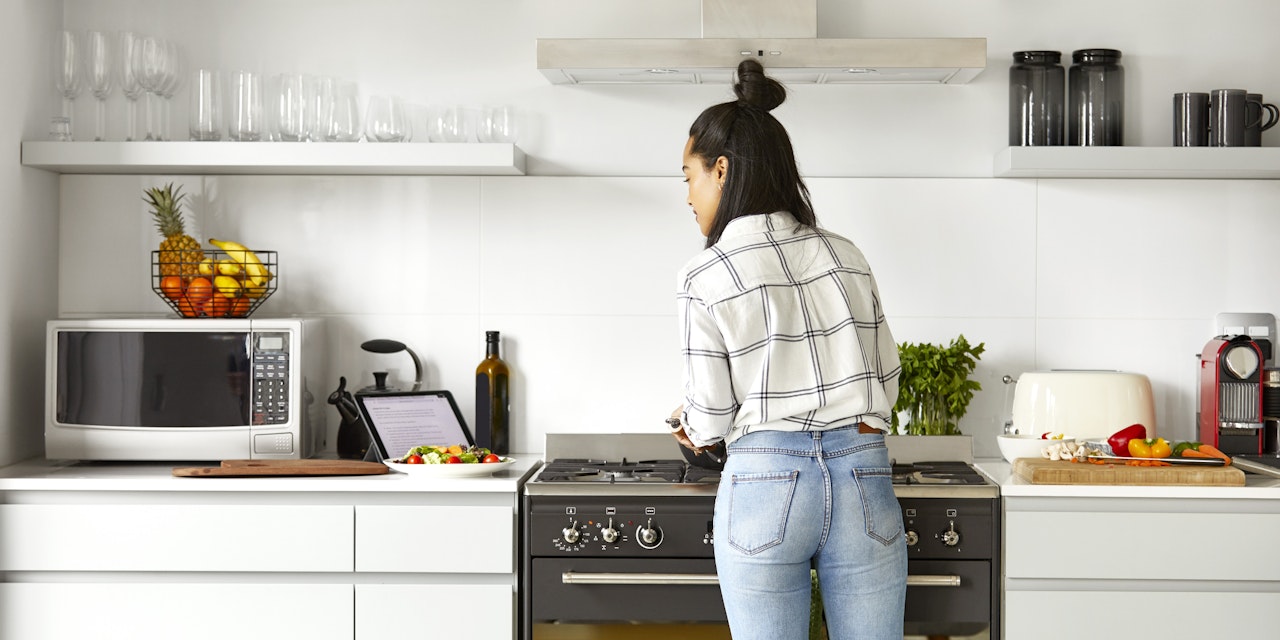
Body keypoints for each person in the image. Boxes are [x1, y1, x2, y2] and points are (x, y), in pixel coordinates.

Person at [667, 58, 907, 640]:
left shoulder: (706, 274)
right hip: (863, 478)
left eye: (689, 177)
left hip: (764, 483)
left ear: (720, 170)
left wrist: (691, 426)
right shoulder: (846, 253)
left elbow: (713, 419)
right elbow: (888, 383)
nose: (689, 196)